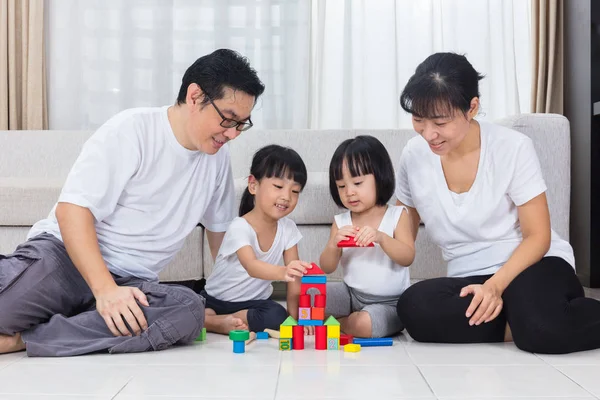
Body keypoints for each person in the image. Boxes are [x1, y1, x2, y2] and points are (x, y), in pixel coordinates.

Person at [0, 49, 265, 357]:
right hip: (66, 260)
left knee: (188, 311)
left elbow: (223, 241)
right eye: (228, 119)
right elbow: (71, 211)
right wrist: (104, 290)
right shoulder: (133, 130)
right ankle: (76, 320)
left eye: (242, 124)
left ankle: (25, 340)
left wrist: (244, 294)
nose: (232, 134)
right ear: (195, 97)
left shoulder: (217, 160)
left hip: (132, 284)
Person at [395, 52, 600, 354]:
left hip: (531, 265)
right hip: (471, 276)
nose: (429, 134)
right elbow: (402, 229)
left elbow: (538, 236)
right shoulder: (413, 154)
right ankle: (527, 317)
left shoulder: (512, 147)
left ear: (472, 108)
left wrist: (496, 286)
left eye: (440, 122)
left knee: (542, 332)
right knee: (414, 307)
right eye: (418, 120)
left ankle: (534, 318)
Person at [202, 145, 312, 334]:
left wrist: (295, 320)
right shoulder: (240, 226)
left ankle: (218, 320)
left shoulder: (288, 229)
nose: (286, 196)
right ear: (253, 185)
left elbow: (294, 284)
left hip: (254, 304)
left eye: (295, 191)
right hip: (216, 299)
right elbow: (251, 266)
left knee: (278, 316)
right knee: (186, 307)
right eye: (278, 186)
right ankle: (213, 321)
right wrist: (283, 271)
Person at [319, 135, 415, 338]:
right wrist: (333, 246)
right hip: (351, 294)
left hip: (390, 303)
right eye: (342, 186)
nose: (349, 193)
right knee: (311, 295)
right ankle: (345, 318)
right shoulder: (341, 221)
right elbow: (327, 267)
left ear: (380, 177)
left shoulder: (397, 215)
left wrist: (381, 238)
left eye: (357, 183)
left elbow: (407, 257)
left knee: (364, 325)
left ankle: (338, 322)